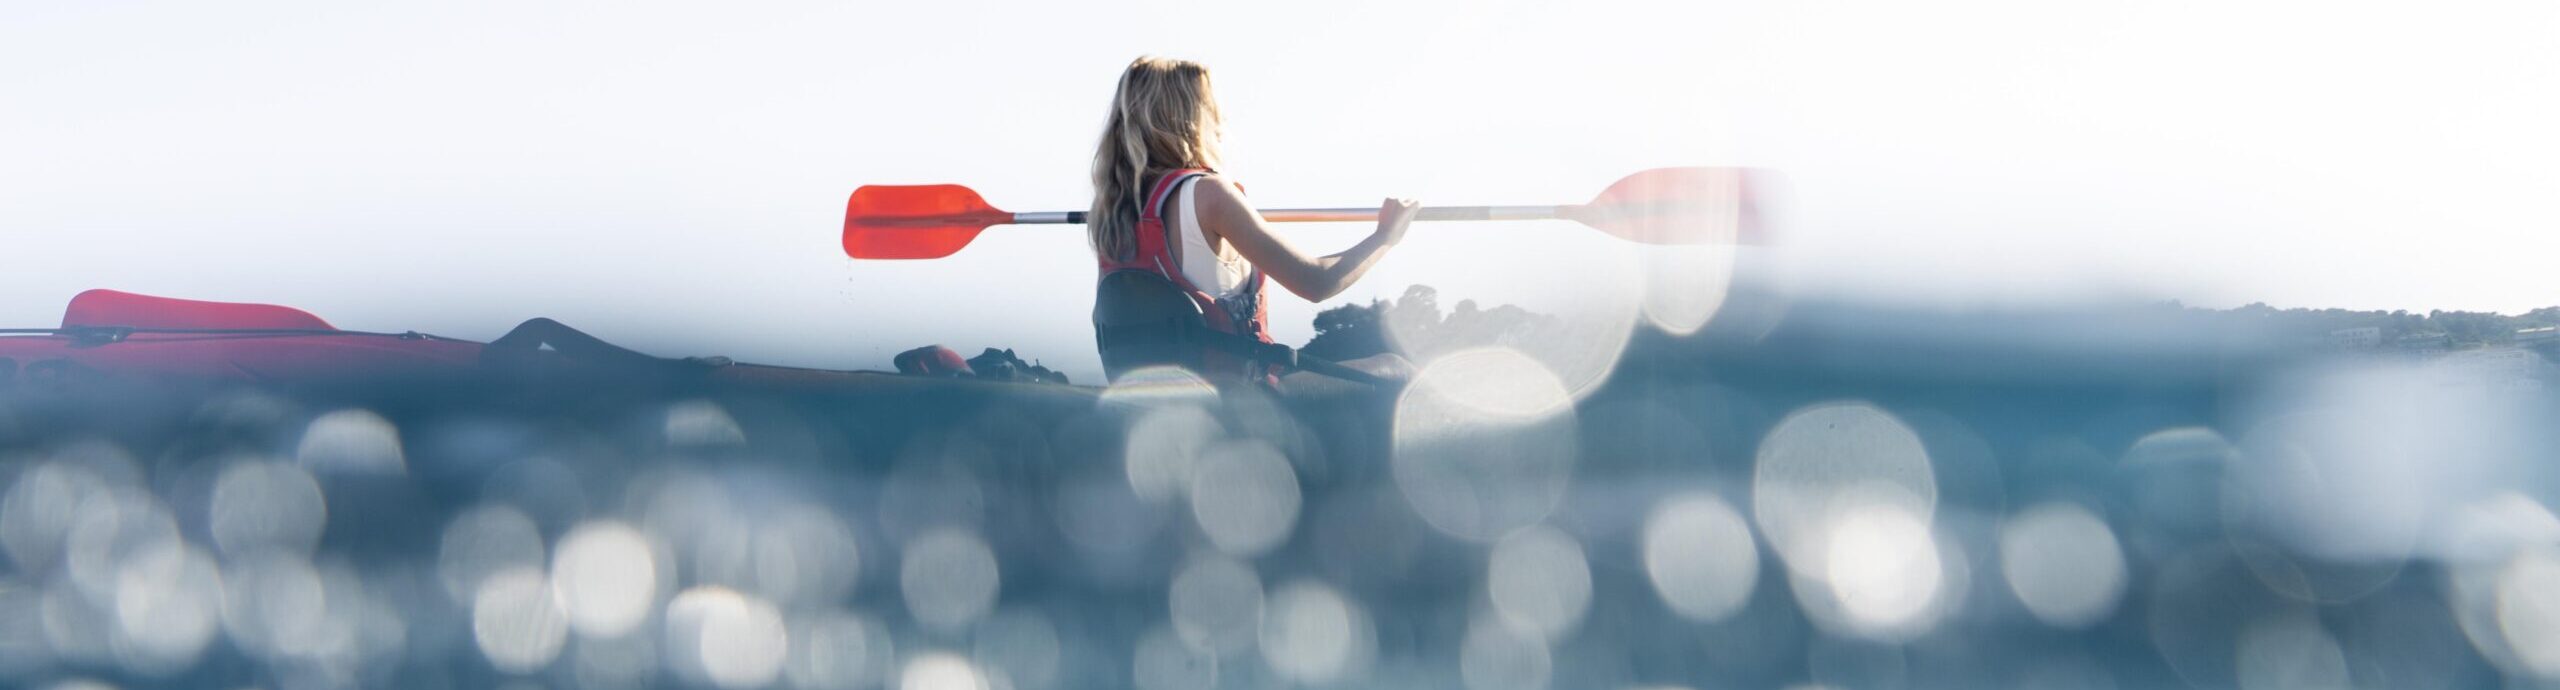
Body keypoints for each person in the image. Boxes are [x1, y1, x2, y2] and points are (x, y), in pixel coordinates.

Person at [1088, 56, 1418, 387]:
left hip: (1150, 406)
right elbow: (1316, 282)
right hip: (1245, 401)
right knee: (1395, 369)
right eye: (1211, 107)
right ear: (1190, 117)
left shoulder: (1112, 211)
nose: (1221, 119)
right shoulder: (1209, 194)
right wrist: (1386, 236)